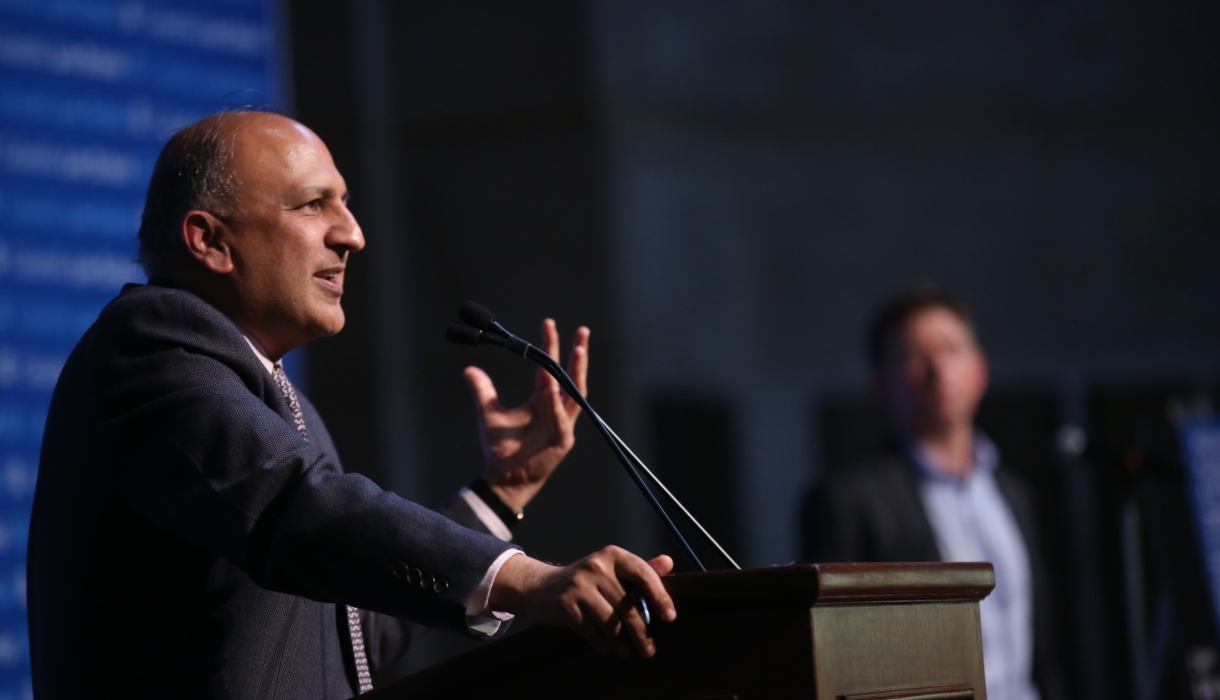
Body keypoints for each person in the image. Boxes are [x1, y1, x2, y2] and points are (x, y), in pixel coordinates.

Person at [28, 111, 676, 699]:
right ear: (210, 241)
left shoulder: (278, 398)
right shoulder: (148, 345)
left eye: (347, 205)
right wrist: (528, 580)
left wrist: (501, 495)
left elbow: (349, 635)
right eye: (314, 205)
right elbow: (295, 507)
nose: (354, 235)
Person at [800, 288, 1066, 700]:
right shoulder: (848, 500)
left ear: (980, 370)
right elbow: (833, 659)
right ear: (881, 383)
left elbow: (1041, 648)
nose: (938, 369)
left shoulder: (1015, 494)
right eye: (914, 355)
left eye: (951, 349)